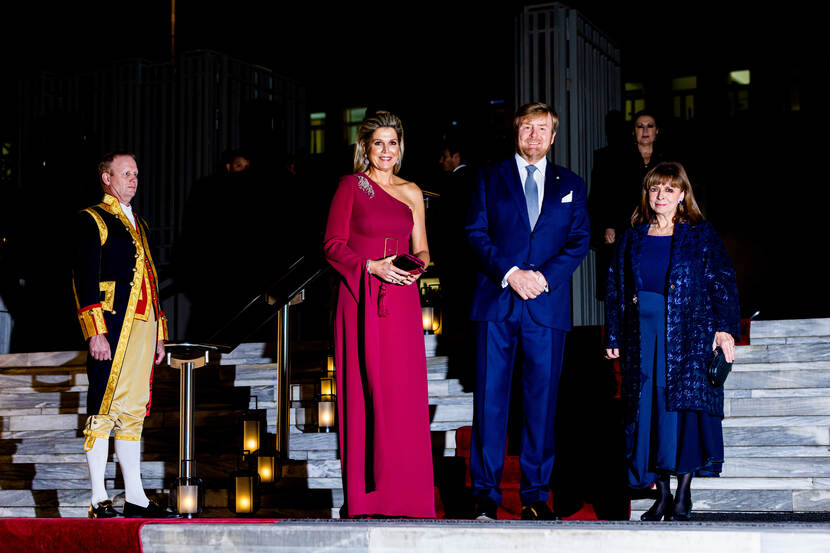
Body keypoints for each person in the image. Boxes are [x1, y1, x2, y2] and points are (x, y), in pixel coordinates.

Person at [467, 102, 590, 520]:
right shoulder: (488, 176)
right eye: (527, 127)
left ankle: (536, 495)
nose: (534, 135)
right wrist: (511, 273)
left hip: (546, 307)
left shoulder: (571, 183)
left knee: (541, 404)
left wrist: (543, 278)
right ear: (515, 132)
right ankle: (486, 493)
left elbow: (578, 240)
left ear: (553, 137)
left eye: (543, 129)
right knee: (490, 403)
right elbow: (475, 233)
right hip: (497, 304)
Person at [604, 161, 740, 521]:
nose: (660, 196)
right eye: (654, 189)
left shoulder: (699, 233)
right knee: (647, 412)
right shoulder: (633, 235)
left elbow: (721, 280)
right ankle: (660, 494)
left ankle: (684, 493)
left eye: (668, 189)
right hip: (640, 336)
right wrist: (614, 333)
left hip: (687, 333)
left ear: (682, 195)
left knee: (680, 411)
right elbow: (617, 287)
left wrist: (725, 328)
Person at [323, 112, 435, 518]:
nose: (386, 151)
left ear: (399, 147)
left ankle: (411, 499)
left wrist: (412, 269)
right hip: (362, 298)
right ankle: (368, 499)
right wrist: (371, 267)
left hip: (402, 302)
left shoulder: (411, 190)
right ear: (365, 148)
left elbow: (423, 249)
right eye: (378, 144)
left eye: (392, 143)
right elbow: (332, 245)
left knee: (404, 396)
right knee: (366, 394)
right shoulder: (351, 186)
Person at [73, 152, 172, 518]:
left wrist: (159, 332)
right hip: (112, 325)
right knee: (103, 406)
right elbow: (84, 278)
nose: (133, 179)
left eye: (135, 173)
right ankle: (98, 497)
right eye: (125, 173)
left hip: (143, 325)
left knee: (132, 411)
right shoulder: (92, 219)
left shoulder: (140, 222)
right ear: (106, 178)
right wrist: (95, 332)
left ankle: (135, 497)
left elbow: (152, 280)